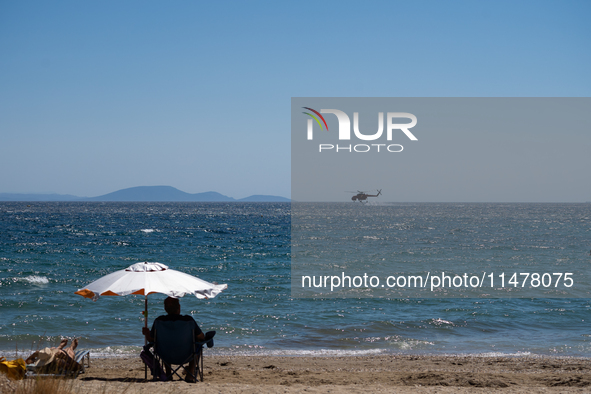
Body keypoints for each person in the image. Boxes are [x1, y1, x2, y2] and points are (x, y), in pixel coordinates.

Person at [142, 297, 204, 382]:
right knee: (198, 343)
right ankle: (190, 374)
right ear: (179, 306)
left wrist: (146, 333)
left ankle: (168, 374)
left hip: (165, 355)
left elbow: (151, 339)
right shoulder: (188, 320)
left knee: (163, 344)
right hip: (186, 355)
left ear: (165, 308)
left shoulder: (159, 321)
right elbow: (201, 337)